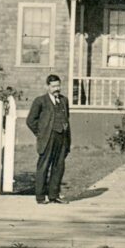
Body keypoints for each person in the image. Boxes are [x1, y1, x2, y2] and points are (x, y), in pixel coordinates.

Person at [26, 74, 71, 204]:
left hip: (61, 138)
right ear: (47, 87)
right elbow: (30, 121)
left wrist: (67, 138)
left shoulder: (64, 100)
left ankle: (54, 195)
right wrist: (41, 133)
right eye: (53, 86)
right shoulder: (40, 101)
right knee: (44, 167)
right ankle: (40, 197)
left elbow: (66, 118)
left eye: (58, 85)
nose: (57, 89)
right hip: (47, 139)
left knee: (59, 167)